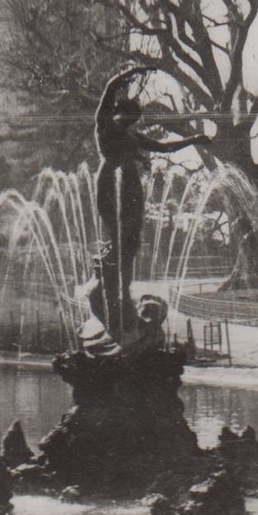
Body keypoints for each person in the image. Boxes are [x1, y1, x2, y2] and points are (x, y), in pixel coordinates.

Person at [93, 66, 212, 339]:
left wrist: (194, 139)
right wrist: (130, 72)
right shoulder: (104, 125)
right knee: (117, 234)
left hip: (132, 184)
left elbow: (163, 148)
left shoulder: (133, 136)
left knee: (132, 239)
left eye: (134, 118)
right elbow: (109, 91)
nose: (130, 121)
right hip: (110, 181)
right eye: (127, 115)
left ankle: (124, 295)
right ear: (117, 112)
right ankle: (113, 292)